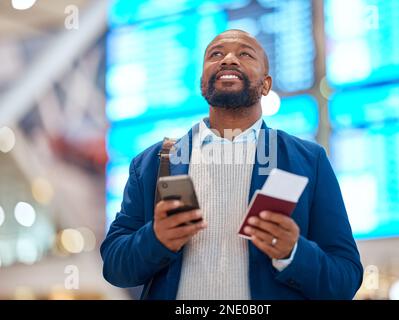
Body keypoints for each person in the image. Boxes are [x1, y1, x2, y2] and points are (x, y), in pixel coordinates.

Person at [100, 29, 363, 300]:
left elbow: (345, 279)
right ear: (203, 81)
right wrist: (155, 239)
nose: (228, 59)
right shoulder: (151, 164)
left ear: (266, 85)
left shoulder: (308, 162)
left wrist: (293, 253)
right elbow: (115, 268)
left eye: (245, 54)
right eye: (216, 54)